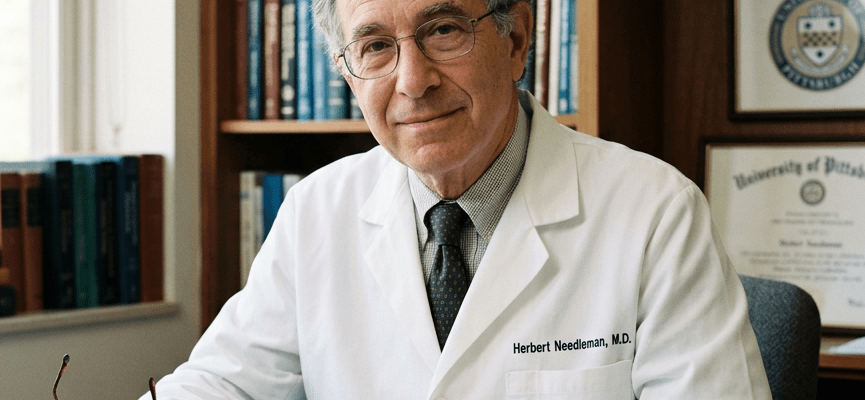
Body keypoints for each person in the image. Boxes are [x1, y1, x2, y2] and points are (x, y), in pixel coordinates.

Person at [146, 0, 772, 398]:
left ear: (517, 40)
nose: (413, 82)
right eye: (375, 47)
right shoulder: (317, 210)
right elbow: (223, 384)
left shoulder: (655, 212)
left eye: (443, 31)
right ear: (348, 72)